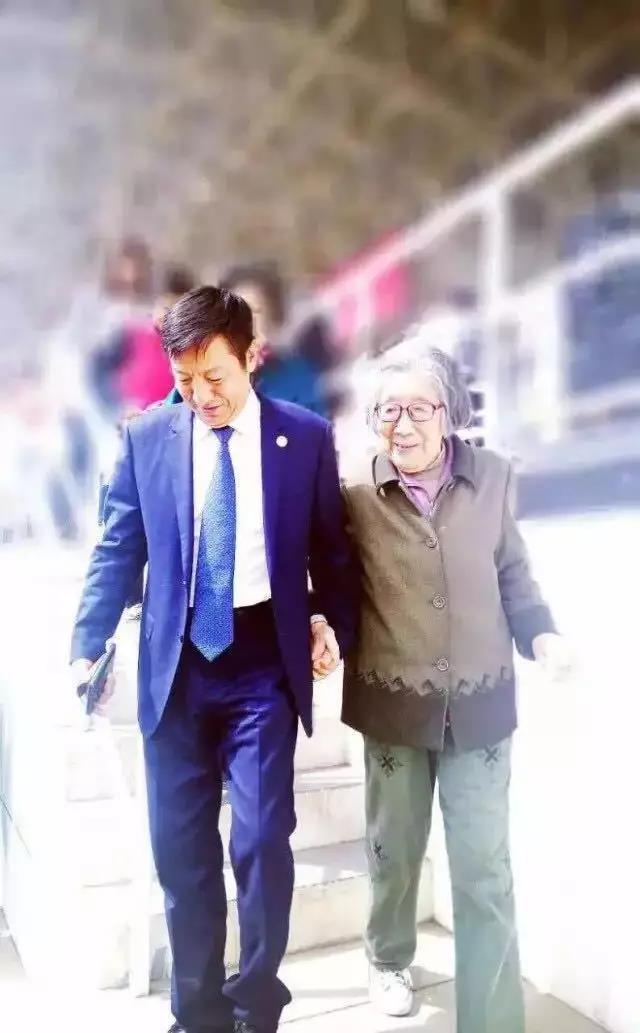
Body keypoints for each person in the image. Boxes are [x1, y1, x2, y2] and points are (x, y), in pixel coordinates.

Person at [70, 286, 357, 1033]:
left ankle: (255, 1006)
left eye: (215, 376)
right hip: (175, 671)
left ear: (252, 356)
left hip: (262, 664)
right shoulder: (147, 439)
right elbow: (117, 549)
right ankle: (197, 1015)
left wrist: (329, 619)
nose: (201, 395)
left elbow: (331, 549)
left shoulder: (304, 438)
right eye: (185, 379)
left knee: (260, 839)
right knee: (181, 855)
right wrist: (86, 645)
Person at [340, 341, 572, 1032]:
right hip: (391, 701)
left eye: (419, 409)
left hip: (479, 702)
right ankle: (388, 956)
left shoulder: (493, 475)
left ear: (450, 413)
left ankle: (491, 1020)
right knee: (394, 851)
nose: (402, 425)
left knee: (484, 870)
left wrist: (541, 634)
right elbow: (329, 578)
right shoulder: (354, 489)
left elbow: (513, 571)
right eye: (388, 410)